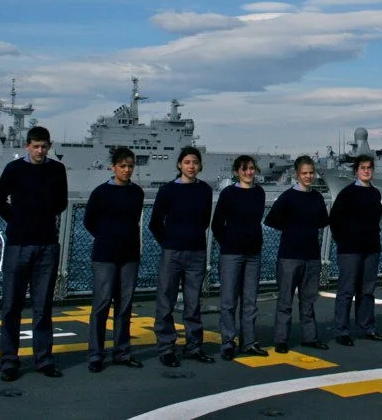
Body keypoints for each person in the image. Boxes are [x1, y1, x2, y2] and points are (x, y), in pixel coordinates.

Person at [0, 125, 68, 382]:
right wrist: (17, 220)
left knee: (43, 306)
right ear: (27, 146)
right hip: (18, 244)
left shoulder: (57, 169)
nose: (40, 151)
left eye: (44, 146)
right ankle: (8, 362)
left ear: (49, 146)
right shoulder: (14, 169)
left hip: (47, 244)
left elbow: (62, 202)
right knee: (11, 306)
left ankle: (43, 359)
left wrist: (40, 217)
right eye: (35, 146)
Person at [149, 146, 214, 367]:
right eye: (187, 162)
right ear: (179, 165)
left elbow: (205, 220)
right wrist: (169, 242)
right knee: (165, 301)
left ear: (200, 165)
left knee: (193, 303)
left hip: (196, 252)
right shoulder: (167, 190)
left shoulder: (205, 190)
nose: (191, 166)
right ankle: (166, 348)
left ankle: (193, 346)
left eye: (194, 162)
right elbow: (155, 223)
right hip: (172, 252)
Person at [84, 147, 146, 372]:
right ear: (113, 167)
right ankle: (95, 354)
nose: (127, 170)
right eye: (122, 166)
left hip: (129, 256)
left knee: (124, 306)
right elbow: (89, 221)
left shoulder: (137, 193)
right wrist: (105, 238)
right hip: (105, 256)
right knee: (101, 304)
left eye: (130, 166)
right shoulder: (100, 192)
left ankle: (122, 352)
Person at [265, 155, 330, 353]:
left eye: (311, 173)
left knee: (308, 300)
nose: (308, 176)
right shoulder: (287, 197)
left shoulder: (317, 197)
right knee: (285, 301)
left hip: (311, 255)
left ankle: (310, 337)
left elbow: (323, 221)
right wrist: (292, 229)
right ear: (297, 174)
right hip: (289, 256)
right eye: (304, 173)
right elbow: (271, 220)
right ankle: (281, 340)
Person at [212, 155, 270, 361]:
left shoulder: (259, 192)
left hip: (253, 253)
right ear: (237, 171)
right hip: (231, 254)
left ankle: (249, 342)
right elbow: (217, 224)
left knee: (250, 301)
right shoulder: (228, 193)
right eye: (244, 169)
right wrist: (229, 242)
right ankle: (228, 343)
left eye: (252, 168)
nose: (249, 172)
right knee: (229, 301)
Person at [329, 155, 382, 345]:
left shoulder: (375, 193)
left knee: (367, 291)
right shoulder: (347, 193)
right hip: (350, 250)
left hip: (371, 248)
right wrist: (343, 241)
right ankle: (341, 331)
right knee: (346, 291)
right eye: (363, 168)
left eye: (369, 167)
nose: (366, 171)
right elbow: (334, 220)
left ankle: (366, 328)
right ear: (356, 171)